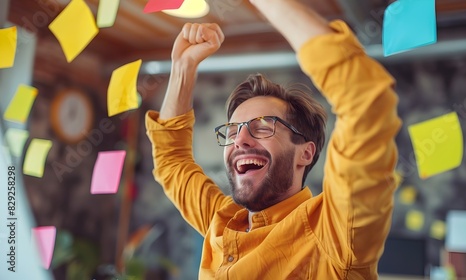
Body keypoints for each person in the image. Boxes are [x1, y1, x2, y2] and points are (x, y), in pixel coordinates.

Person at [146, 0, 401, 278]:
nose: (240, 140)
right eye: (232, 131)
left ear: (306, 152)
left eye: (263, 127)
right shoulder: (221, 219)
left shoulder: (333, 234)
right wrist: (183, 67)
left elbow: (366, 102)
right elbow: (171, 161)